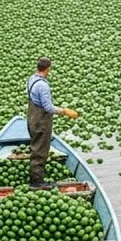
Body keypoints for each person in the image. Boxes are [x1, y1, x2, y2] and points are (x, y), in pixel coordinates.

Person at [26, 57, 79, 188]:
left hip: (32, 119)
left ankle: (36, 175)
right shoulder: (43, 85)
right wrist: (65, 111)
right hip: (41, 122)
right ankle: (37, 182)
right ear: (48, 69)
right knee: (40, 150)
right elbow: (48, 108)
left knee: (36, 146)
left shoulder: (32, 79)